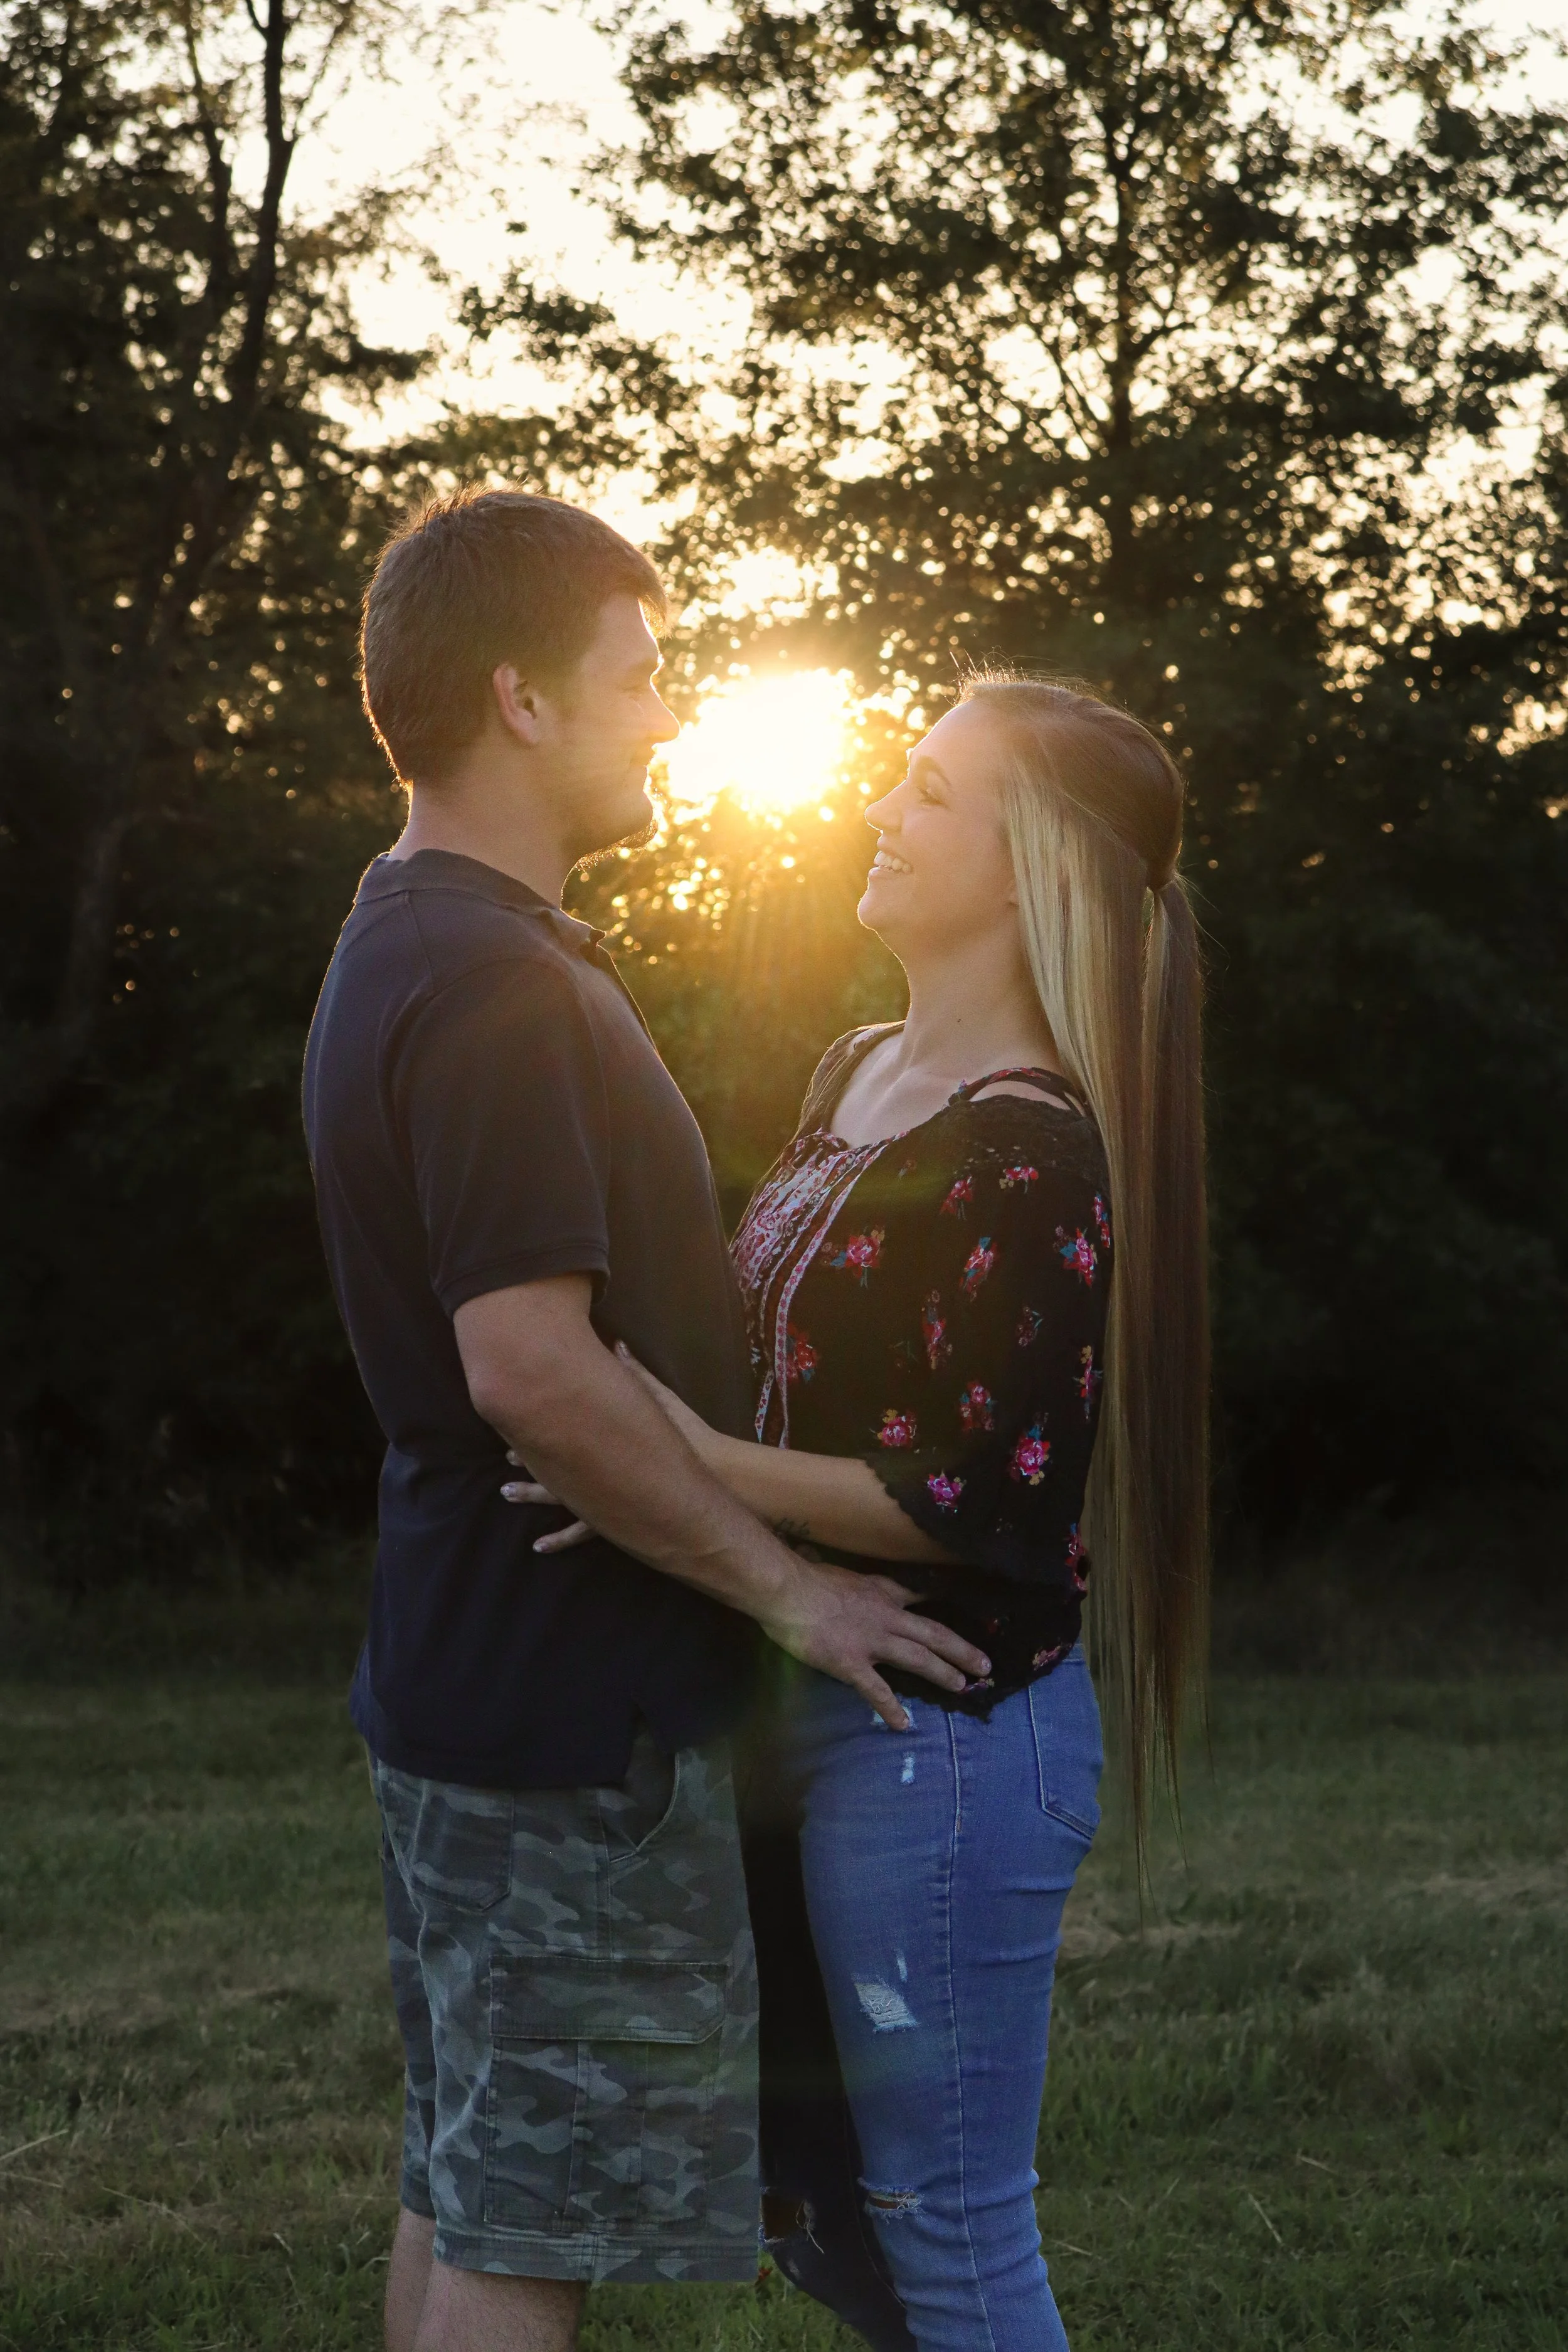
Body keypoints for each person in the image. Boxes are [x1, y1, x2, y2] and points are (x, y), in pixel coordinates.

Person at [301, 487, 987, 2352]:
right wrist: (790, 1589)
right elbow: (527, 1363)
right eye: (644, 671)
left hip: (470, 1675)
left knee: (469, 2180)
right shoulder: (493, 978)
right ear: (522, 700)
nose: (669, 710)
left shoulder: (409, 935)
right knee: (528, 2233)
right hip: (564, 1720)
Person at [509, 674, 1209, 2349]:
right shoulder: (856, 1070)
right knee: (826, 2210)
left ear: (1029, 861)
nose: (878, 815)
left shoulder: (1036, 1144)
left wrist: (646, 1451)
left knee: (946, 2224)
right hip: (797, 1688)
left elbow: (972, 1494)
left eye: (929, 793)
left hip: (946, 1737)